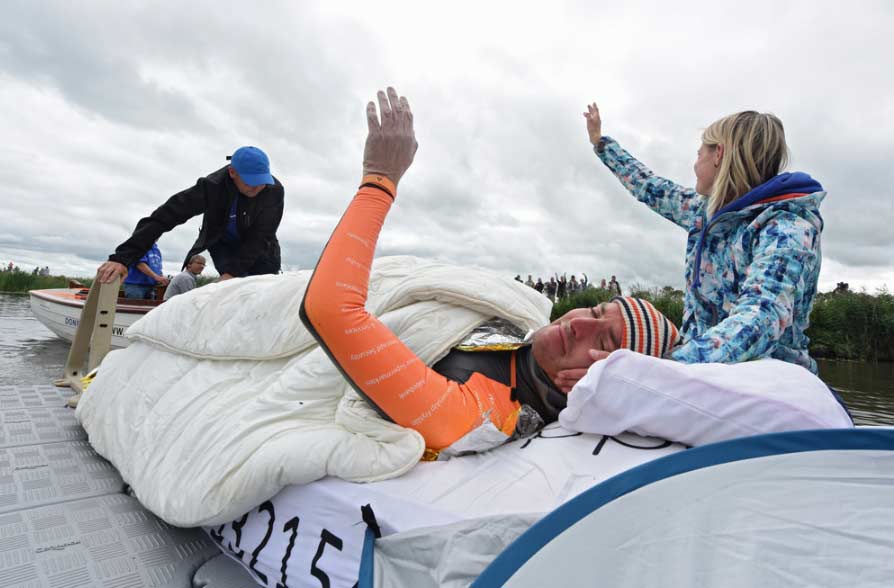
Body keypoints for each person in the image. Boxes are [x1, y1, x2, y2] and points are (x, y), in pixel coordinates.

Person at [300, 87, 680, 457]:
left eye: (607, 341)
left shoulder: (488, 415)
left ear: (608, 382)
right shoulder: (521, 326)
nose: (581, 324)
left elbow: (330, 312)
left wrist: (379, 178)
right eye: (597, 311)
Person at [584, 102, 824, 374]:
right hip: (701, 370)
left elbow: (761, 317)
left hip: (767, 381)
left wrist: (662, 368)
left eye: (699, 154)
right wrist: (601, 143)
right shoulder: (703, 211)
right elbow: (648, 185)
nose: (695, 164)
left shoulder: (787, 228)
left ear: (718, 154)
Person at [95, 146, 284, 285]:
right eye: (251, 182)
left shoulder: (273, 191)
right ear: (232, 172)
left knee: (261, 289)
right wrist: (122, 258)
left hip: (261, 251)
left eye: (262, 181)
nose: (258, 188)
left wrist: (233, 273)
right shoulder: (212, 187)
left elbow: (260, 237)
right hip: (223, 247)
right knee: (232, 290)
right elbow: (165, 216)